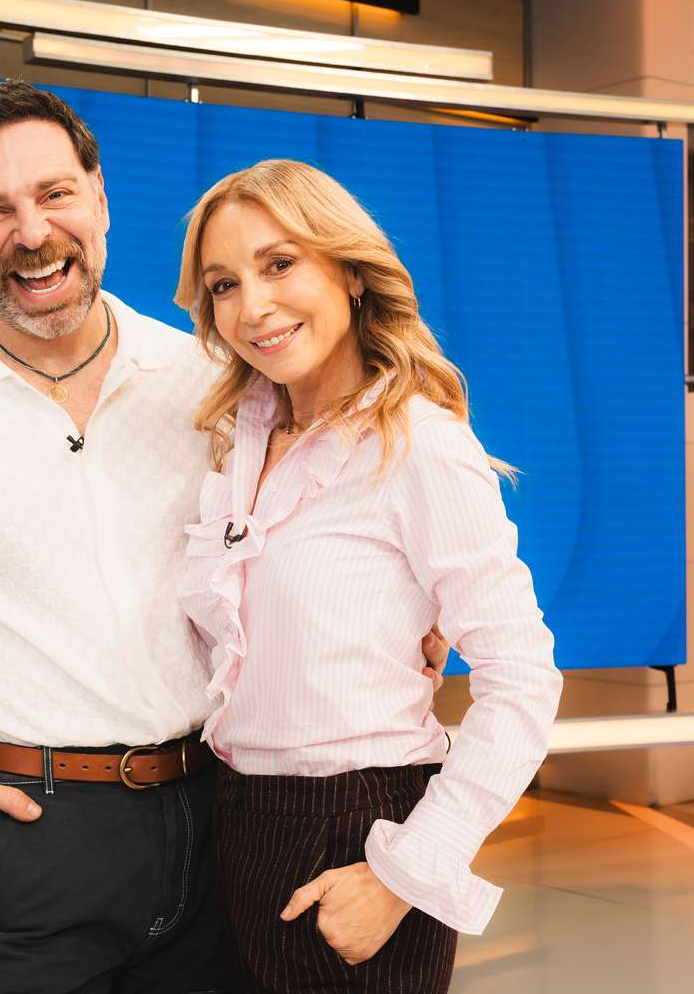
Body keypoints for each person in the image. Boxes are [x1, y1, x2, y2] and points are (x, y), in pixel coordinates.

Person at [0, 81, 449, 994]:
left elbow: (349, 517)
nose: (32, 232)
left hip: (224, 819)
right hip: (28, 841)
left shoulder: (217, 381)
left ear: (99, 199)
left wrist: (414, 618)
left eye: (54, 194)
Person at [173, 159, 563, 993]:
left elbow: (524, 677)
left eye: (280, 264)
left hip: (356, 832)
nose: (253, 306)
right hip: (234, 822)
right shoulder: (239, 444)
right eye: (224, 285)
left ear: (351, 272)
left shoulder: (417, 443)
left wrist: (404, 873)